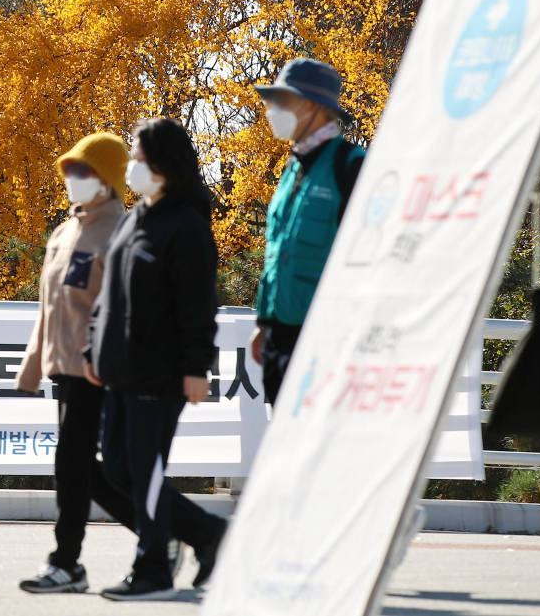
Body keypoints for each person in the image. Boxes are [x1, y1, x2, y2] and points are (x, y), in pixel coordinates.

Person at [16, 133, 185, 594]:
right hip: (63, 368)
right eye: (69, 169)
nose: (72, 178)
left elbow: (120, 307)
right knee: (88, 471)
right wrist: (32, 368)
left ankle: (66, 562)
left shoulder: (119, 231)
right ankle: (173, 532)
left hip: (98, 369)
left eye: (83, 170)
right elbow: (49, 308)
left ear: (107, 179)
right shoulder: (64, 231)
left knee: (76, 467)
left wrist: (106, 359)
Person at [85, 118, 229, 601]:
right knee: (117, 470)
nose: (133, 166)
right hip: (119, 370)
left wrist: (196, 367)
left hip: (160, 372)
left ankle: (153, 571)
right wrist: (92, 348)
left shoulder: (187, 225)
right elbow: (108, 291)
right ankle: (210, 535)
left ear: (166, 165)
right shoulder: (134, 218)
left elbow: (197, 305)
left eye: (141, 158)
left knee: (143, 471)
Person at [249, 58, 364, 404]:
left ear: (313, 106)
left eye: (283, 101)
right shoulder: (292, 166)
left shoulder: (351, 164)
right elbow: (277, 250)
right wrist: (264, 322)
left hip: (326, 342)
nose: (272, 110)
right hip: (280, 339)